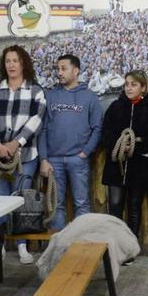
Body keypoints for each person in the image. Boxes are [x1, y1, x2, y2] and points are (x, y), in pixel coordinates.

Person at [0, 45, 47, 265]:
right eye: (7, 61)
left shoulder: (36, 91)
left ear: (23, 63)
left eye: (15, 61)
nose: (11, 65)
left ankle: (21, 246)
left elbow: (36, 120)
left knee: (22, 198)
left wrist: (16, 143)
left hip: (25, 154)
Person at [38, 54, 103, 232]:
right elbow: (42, 129)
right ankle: (59, 246)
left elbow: (97, 128)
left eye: (63, 68)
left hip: (78, 159)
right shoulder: (50, 96)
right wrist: (44, 158)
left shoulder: (90, 97)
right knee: (55, 204)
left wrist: (85, 152)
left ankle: (82, 247)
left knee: (82, 203)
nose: (59, 72)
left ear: (76, 71)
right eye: (57, 69)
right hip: (54, 160)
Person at [100, 70, 148, 239]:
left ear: (143, 87)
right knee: (115, 205)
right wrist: (118, 145)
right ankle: (114, 244)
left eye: (133, 84)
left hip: (140, 166)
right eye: (126, 84)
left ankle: (130, 246)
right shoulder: (115, 107)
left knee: (134, 206)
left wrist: (135, 146)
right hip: (116, 165)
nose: (129, 88)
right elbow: (106, 133)